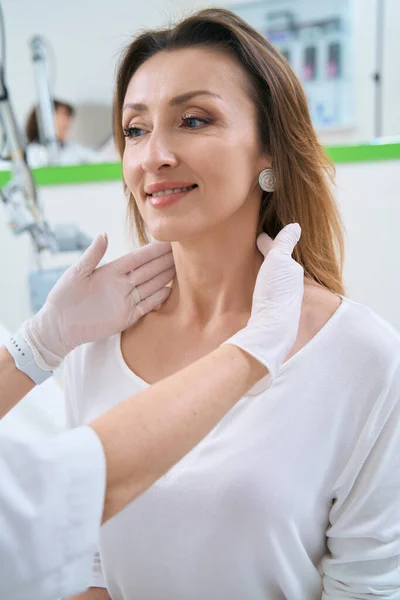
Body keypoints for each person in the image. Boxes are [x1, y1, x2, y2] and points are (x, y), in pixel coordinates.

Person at [63, 8, 400, 600]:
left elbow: (369, 586)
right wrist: (36, 348)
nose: (153, 156)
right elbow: (84, 564)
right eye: (135, 130)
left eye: (193, 120)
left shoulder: (360, 356)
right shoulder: (93, 341)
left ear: (269, 150)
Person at [0, 224, 304, 600]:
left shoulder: (356, 345)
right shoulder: (95, 349)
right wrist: (256, 350)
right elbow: (70, 512)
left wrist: (34, 346)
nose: (153, 161)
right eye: (127, 157)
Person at [24, 99, 99, 167]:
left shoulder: (74, 148)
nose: (68, 121)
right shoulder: (32, 153)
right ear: (45, 117)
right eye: (64, 114)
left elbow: (99, 160)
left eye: (69, 116)